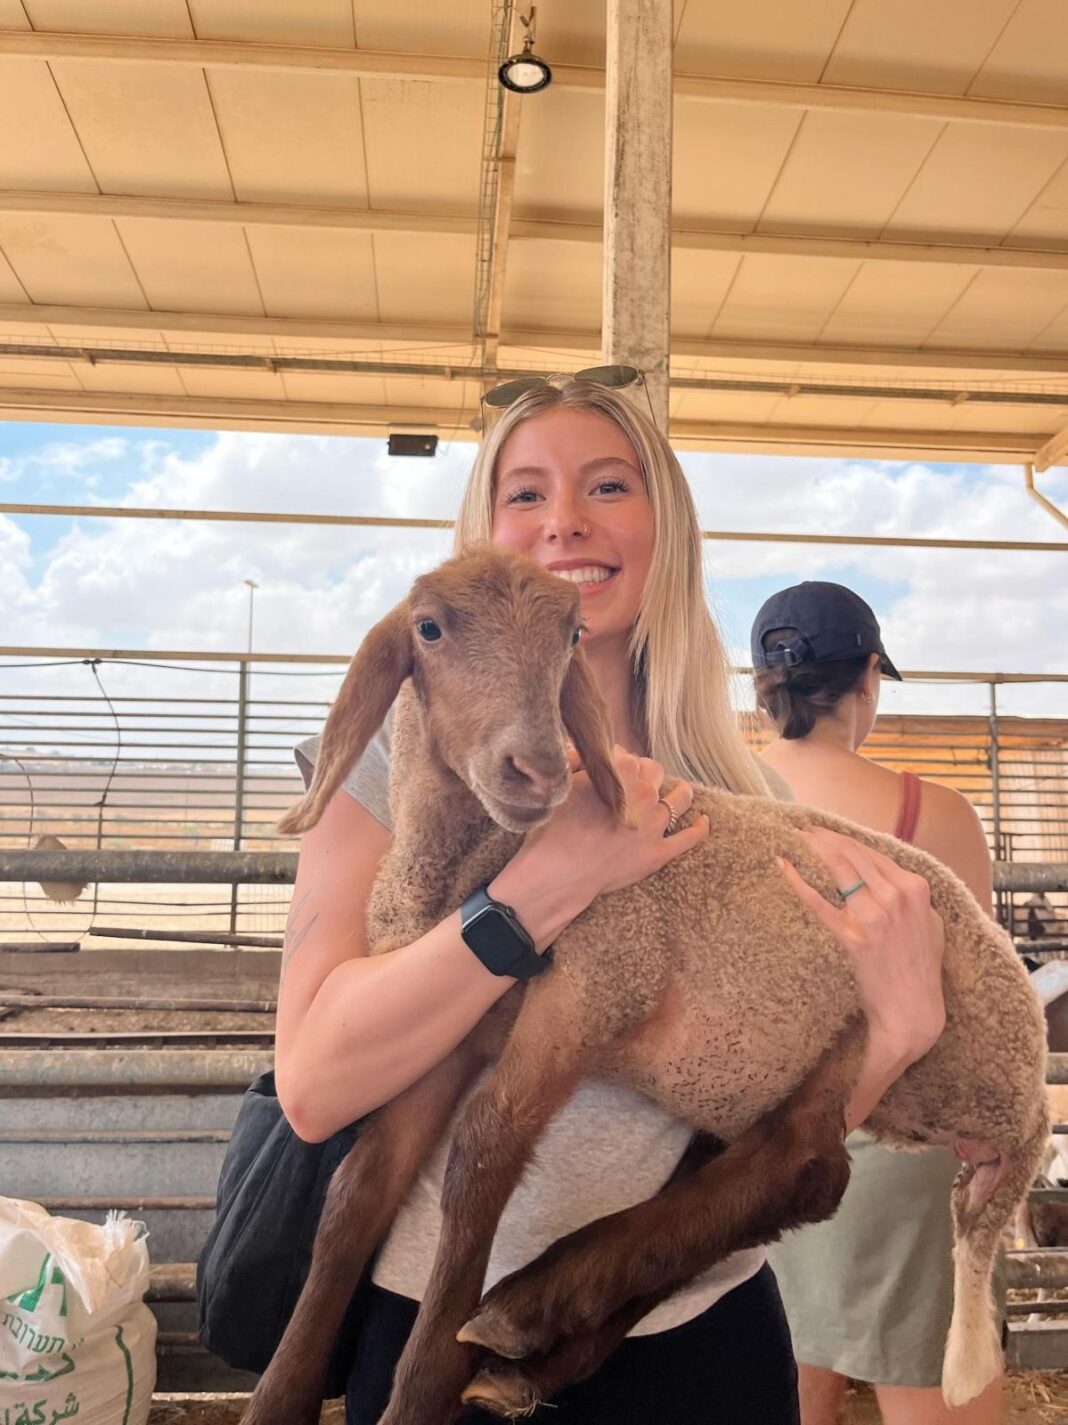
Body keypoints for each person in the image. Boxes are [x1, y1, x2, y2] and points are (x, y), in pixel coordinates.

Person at [275, 375, 948, 1425]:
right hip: (428, 1336)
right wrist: (540, 888)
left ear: (663, 526)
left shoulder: (739, 797)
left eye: (607, 487)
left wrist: (895, 1037)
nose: (565, 523)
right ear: (485, 529)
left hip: (692, 1331)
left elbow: (764, 1113)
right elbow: (315, 1086)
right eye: (525, 493)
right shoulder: (388, 766)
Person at [752, 580, 1001, 1425]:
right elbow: (978, 1003)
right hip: (896, 1147)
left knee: (785, 1377)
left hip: (753, 1151)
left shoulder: (712, 800)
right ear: (867, 677)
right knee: (926, 1378)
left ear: (765, 686)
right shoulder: (935, 813)